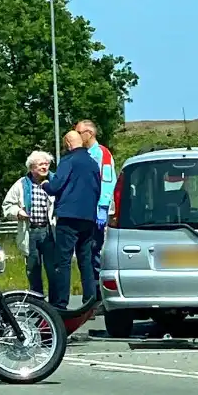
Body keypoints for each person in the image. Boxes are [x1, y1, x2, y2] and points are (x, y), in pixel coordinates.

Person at [41, 131, 101, 306]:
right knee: (86, 260)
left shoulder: (68, 161)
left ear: (68, 143)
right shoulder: (92, 162)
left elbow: (56, 186)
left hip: (68, 217)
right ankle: (89, 301)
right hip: (88, 217)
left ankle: (61, 303)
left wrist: (45, 184)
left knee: (64, 261)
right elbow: (97, 188)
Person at [1, 150, 62, 309]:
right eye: (41, 164)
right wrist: (18, 212)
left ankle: (56, 306)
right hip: (30, 232)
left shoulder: (55, 181)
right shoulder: (21, 184)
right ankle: (38, 305)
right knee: (33, 270)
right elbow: (7, 206)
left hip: (50, 232)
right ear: (32, 167)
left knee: (53, 269)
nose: (45, 167)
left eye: (47, 164)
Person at [76, 119, 116, 290]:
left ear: (89, 134)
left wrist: (103, 207)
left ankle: (99, 294)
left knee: (96, 251)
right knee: (86, 253)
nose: (76, 136)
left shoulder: (102, 154)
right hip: (84, 211)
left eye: (79, 133)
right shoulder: (83, 154)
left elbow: (107, 181)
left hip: (97, 213)